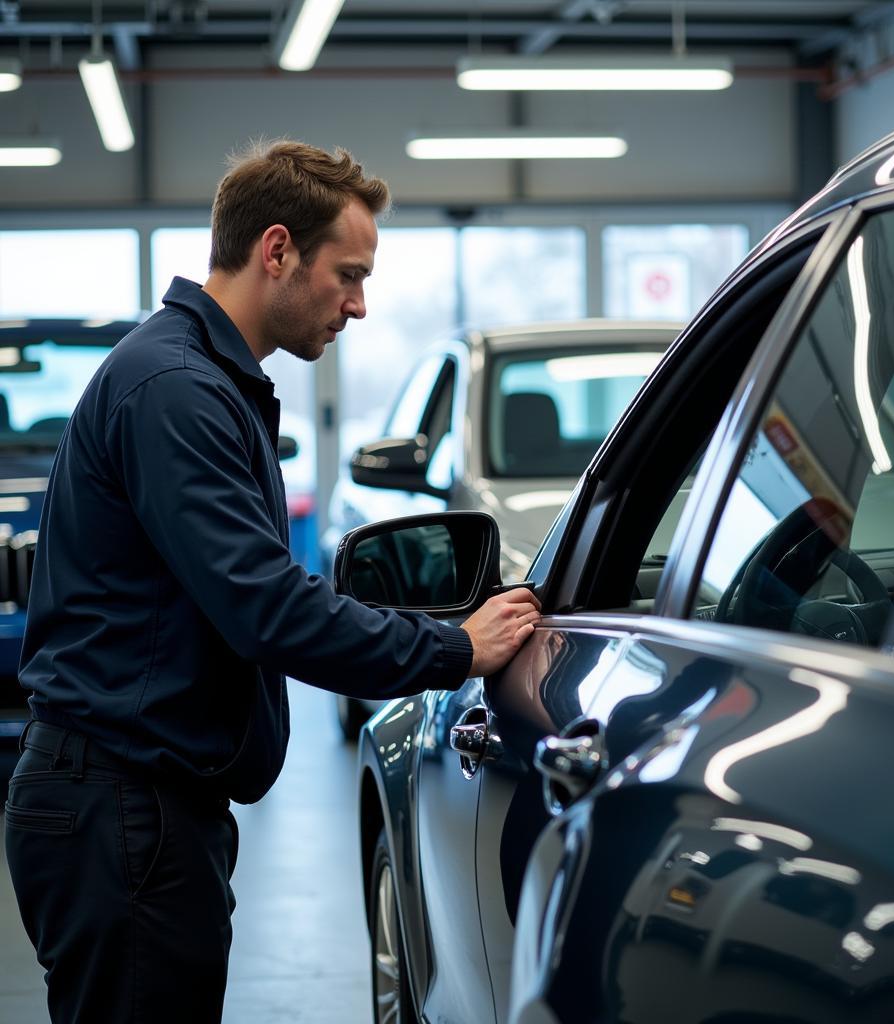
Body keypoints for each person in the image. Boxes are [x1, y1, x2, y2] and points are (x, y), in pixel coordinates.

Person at [5, 140, 541, 1024]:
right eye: (349, 274)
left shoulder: (198, 378)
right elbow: (265, 606)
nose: (360, 306)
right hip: (121, 808)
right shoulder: (177, 388)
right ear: (279, 249)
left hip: (137, 801)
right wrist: (455, 647)